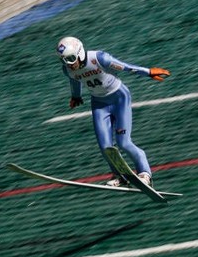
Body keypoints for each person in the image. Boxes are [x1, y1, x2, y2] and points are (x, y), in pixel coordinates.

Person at [56, 36, 171, 187]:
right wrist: (76, 96)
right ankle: (119, 174)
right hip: (99, 104)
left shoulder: (99, 58)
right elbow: (74, 80)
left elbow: (126, 67)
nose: (69, 64)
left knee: (124, 142)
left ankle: (145, 173)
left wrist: (148, 72)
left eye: (71, 59)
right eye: (64, 60)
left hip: (119, 99)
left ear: (80, 52)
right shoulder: (68, 69)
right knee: (105, 147)